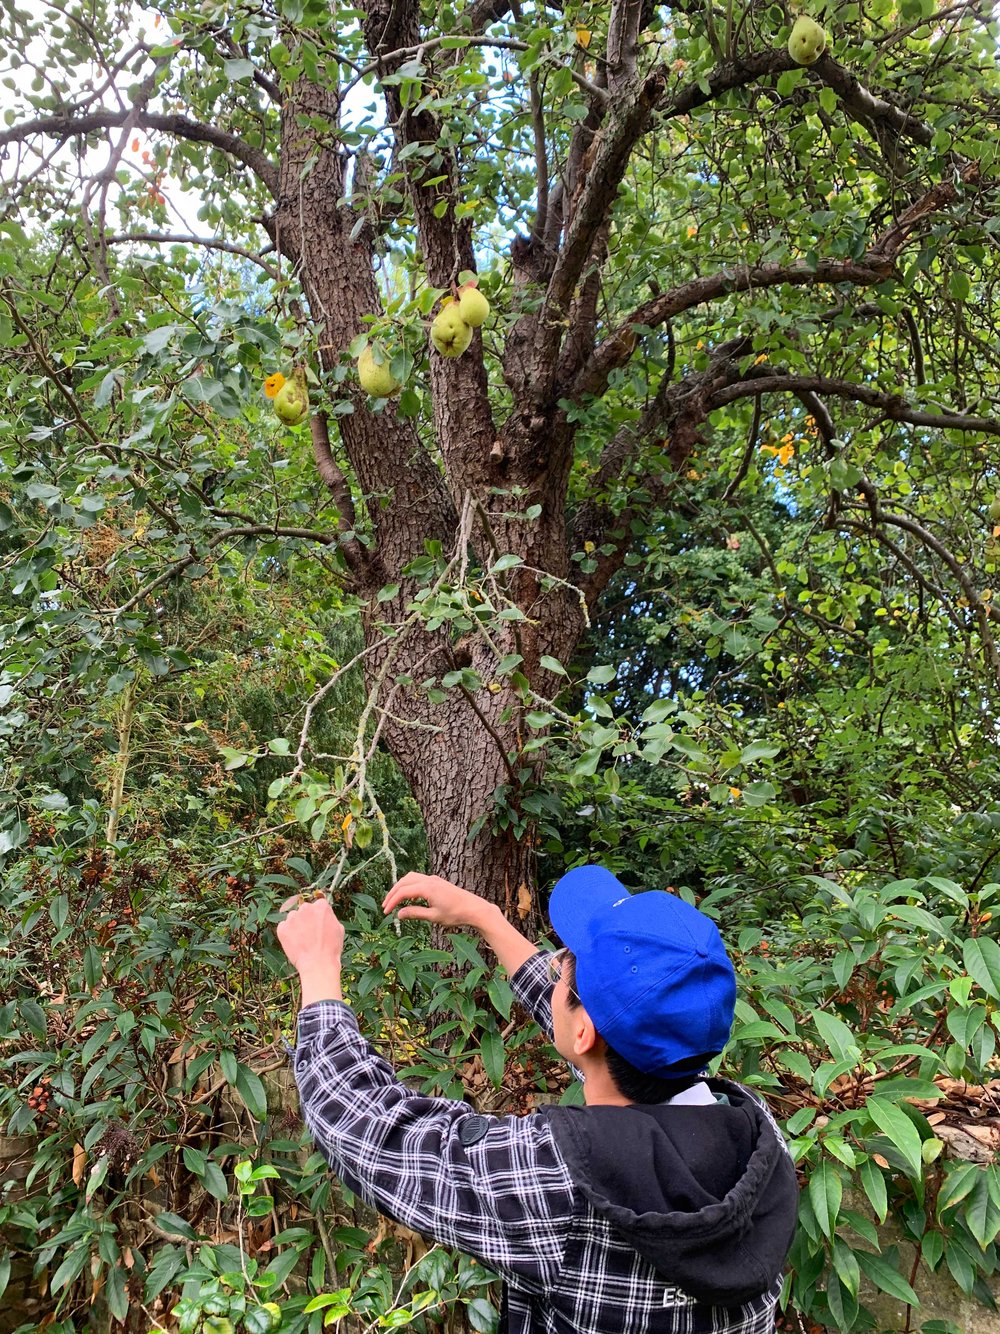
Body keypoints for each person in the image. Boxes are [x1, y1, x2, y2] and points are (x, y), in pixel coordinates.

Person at [276, 864, 799, 1334]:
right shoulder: (757, 1133)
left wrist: (319, 970)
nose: (555, 965)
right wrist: (487, 919)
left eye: (565, 963)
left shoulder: (565, 1182)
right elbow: (605, 1040)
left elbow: (366, 1130)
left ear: (585, 1030)